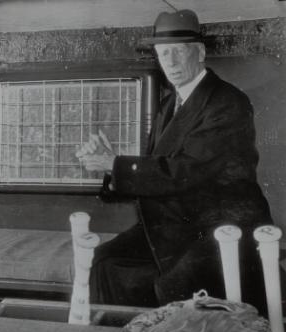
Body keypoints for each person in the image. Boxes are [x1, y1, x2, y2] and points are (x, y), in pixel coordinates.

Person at [76, 10, 272, 314]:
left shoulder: (227, 102)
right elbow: (158, 168)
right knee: (102, 261)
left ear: (200, 52)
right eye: (163, 53)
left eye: (179, 52)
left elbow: (184, 171)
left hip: (221, 229)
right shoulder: (170, 103)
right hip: (175, 223)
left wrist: (115, 164)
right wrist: (111, 167)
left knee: (175, 283)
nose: (171, 62)